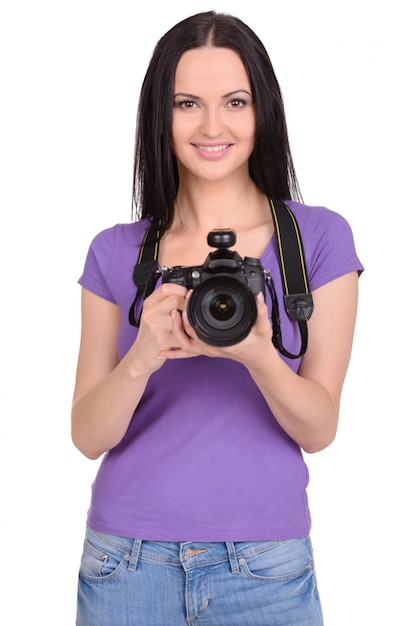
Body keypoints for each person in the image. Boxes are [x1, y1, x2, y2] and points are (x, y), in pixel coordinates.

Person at [72, 10, 363, 626]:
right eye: (186, 103)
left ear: (264, 112)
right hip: (126, 562)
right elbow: (86, 436)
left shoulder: (317, 240)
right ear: (160, 114)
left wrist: (259, 352)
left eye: (235, 101)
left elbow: (319, 429)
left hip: (266, 566)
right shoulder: (116, 250)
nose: (212, 126)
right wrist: (142, 356)